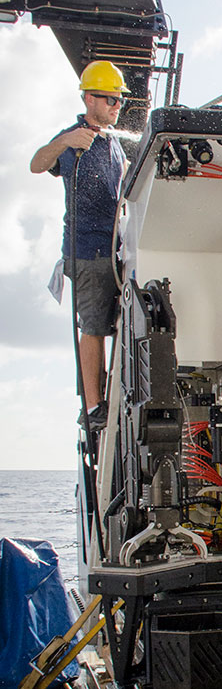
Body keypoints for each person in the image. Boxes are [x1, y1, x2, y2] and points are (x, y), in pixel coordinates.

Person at [30, 60, 129, 430]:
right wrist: (64, 142)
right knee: (92, 327)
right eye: (109, 100)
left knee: (113, 323)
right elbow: (36, 164)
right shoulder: (73, 140)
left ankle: (110, 394)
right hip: (87, 251)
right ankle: (92, 407)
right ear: (89, 98)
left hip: (115, 248)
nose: (116, 107)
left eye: (119, 101)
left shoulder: (113, 142)